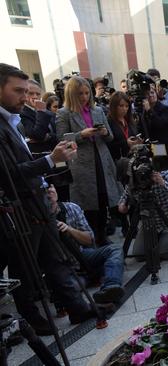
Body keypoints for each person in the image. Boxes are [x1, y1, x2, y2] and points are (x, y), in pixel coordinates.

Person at [0, 63, 96, 334]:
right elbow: (8, 174)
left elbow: (24, 162)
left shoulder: (12, 121)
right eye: (18, 91)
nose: (25, 97)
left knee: (55, 258)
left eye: (26, 91)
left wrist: (45, 181)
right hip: (19, 210)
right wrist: (50, 161)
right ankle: (32, 319)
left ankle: (76, 306)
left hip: (38, 200)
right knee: (27, 266)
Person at [56, 76, 122, 246]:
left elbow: (111, 137)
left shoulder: (97, 110)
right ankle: (90, 236)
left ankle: (101, 234)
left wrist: (105, 133)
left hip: (102, 159)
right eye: (80, 94)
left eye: (87, 93)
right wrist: (81, 135)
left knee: (103, 197)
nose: (85, 97)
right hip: (81, 164)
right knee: (87, 201)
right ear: (71, 94)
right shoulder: (64, 113)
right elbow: (61, 141)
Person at [47, 185, 125, 303]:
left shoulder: (71, 208)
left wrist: (69, 230)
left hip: (82, 254)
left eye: (50, 188)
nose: (49, 193)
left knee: (114, 250)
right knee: (70, 287)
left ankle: (110, 286)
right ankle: (95, 277)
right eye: (44, 191)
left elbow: (89, 240)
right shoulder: (38, 220)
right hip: (64, 266)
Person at [118, 160, 168, 260]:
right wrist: (122, 205)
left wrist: (162, 183)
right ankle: (158, 240)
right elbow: (126, 195)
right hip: (149, 222)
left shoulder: (163, 172)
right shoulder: (133, 178)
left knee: (165, 253)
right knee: (139, 255)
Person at [19, 79, 58, 154]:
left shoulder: (47, 112)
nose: (35, 97)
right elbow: (37, 135)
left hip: (53, 153)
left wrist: (48, 136)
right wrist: (41, 111)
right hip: (37, 156)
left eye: (38, 94)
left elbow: (58, 134)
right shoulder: (22, 113)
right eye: (31, 93)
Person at [106, 91, 141, 162]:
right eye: (121, 106)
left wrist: (137, 141)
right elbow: (108, 145)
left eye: (127, 106)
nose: (124, 109)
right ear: (114, 106)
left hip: (133, 159)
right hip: (118, 162)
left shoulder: (129, 120)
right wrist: (125, 143)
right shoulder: (108, 122)